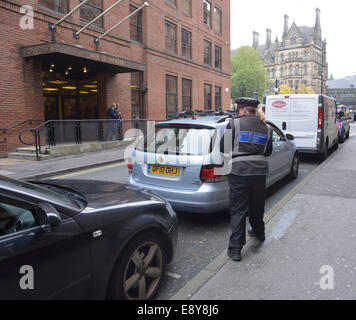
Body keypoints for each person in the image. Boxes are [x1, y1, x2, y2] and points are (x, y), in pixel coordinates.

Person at [225, 97, 273, 262]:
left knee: (238, 209)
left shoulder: (234, 123)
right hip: (259, 172)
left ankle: (236, 249)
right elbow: (267, 152)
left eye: (239, 110)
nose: (238, 112)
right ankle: (259, 232)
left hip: (239, 171)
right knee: (257, 205)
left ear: (244, 110)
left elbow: (223, 148)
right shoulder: (267, 128)